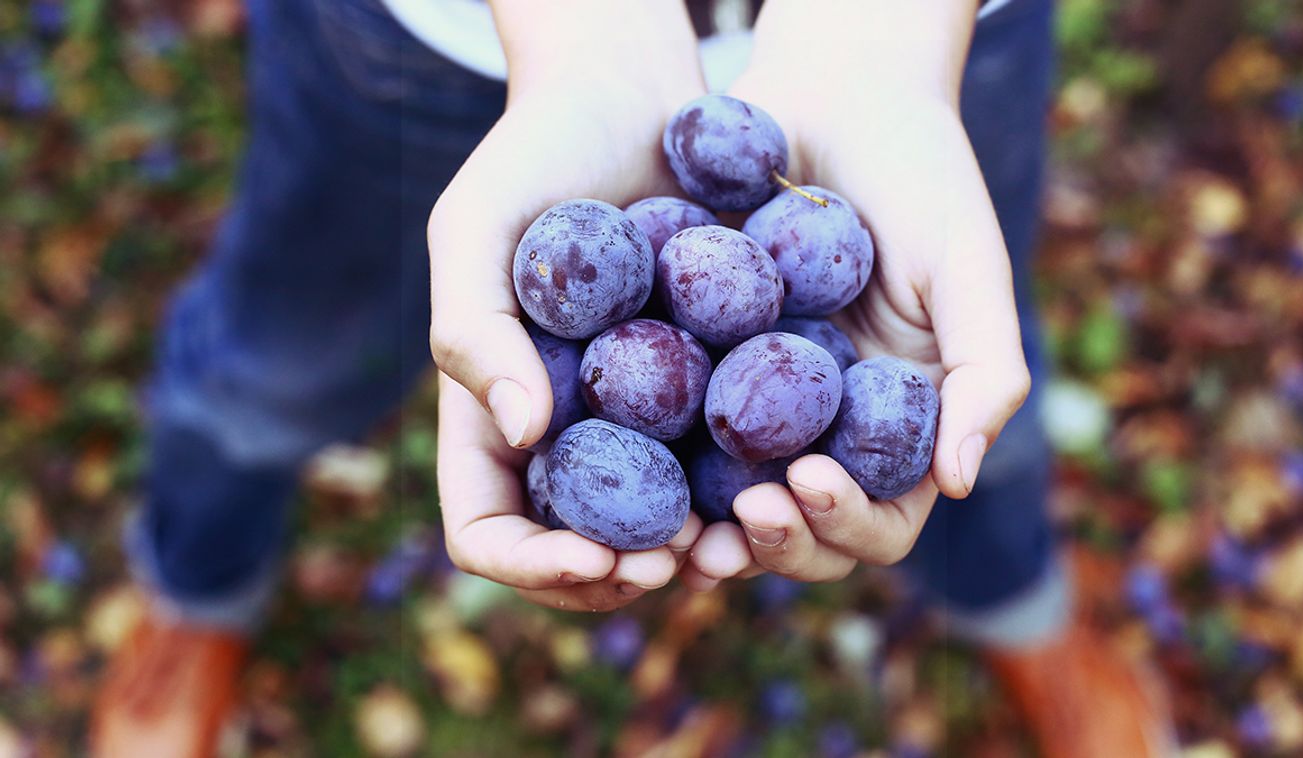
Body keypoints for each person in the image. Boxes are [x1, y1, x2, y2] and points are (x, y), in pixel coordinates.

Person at [92, 1, 1175, 755]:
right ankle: (198, 585)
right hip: (435, 31)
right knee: (282, 355)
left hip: (920, 37)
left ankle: (1014, 604)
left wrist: (884, 37)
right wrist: (584, 36)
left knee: (961, 379)